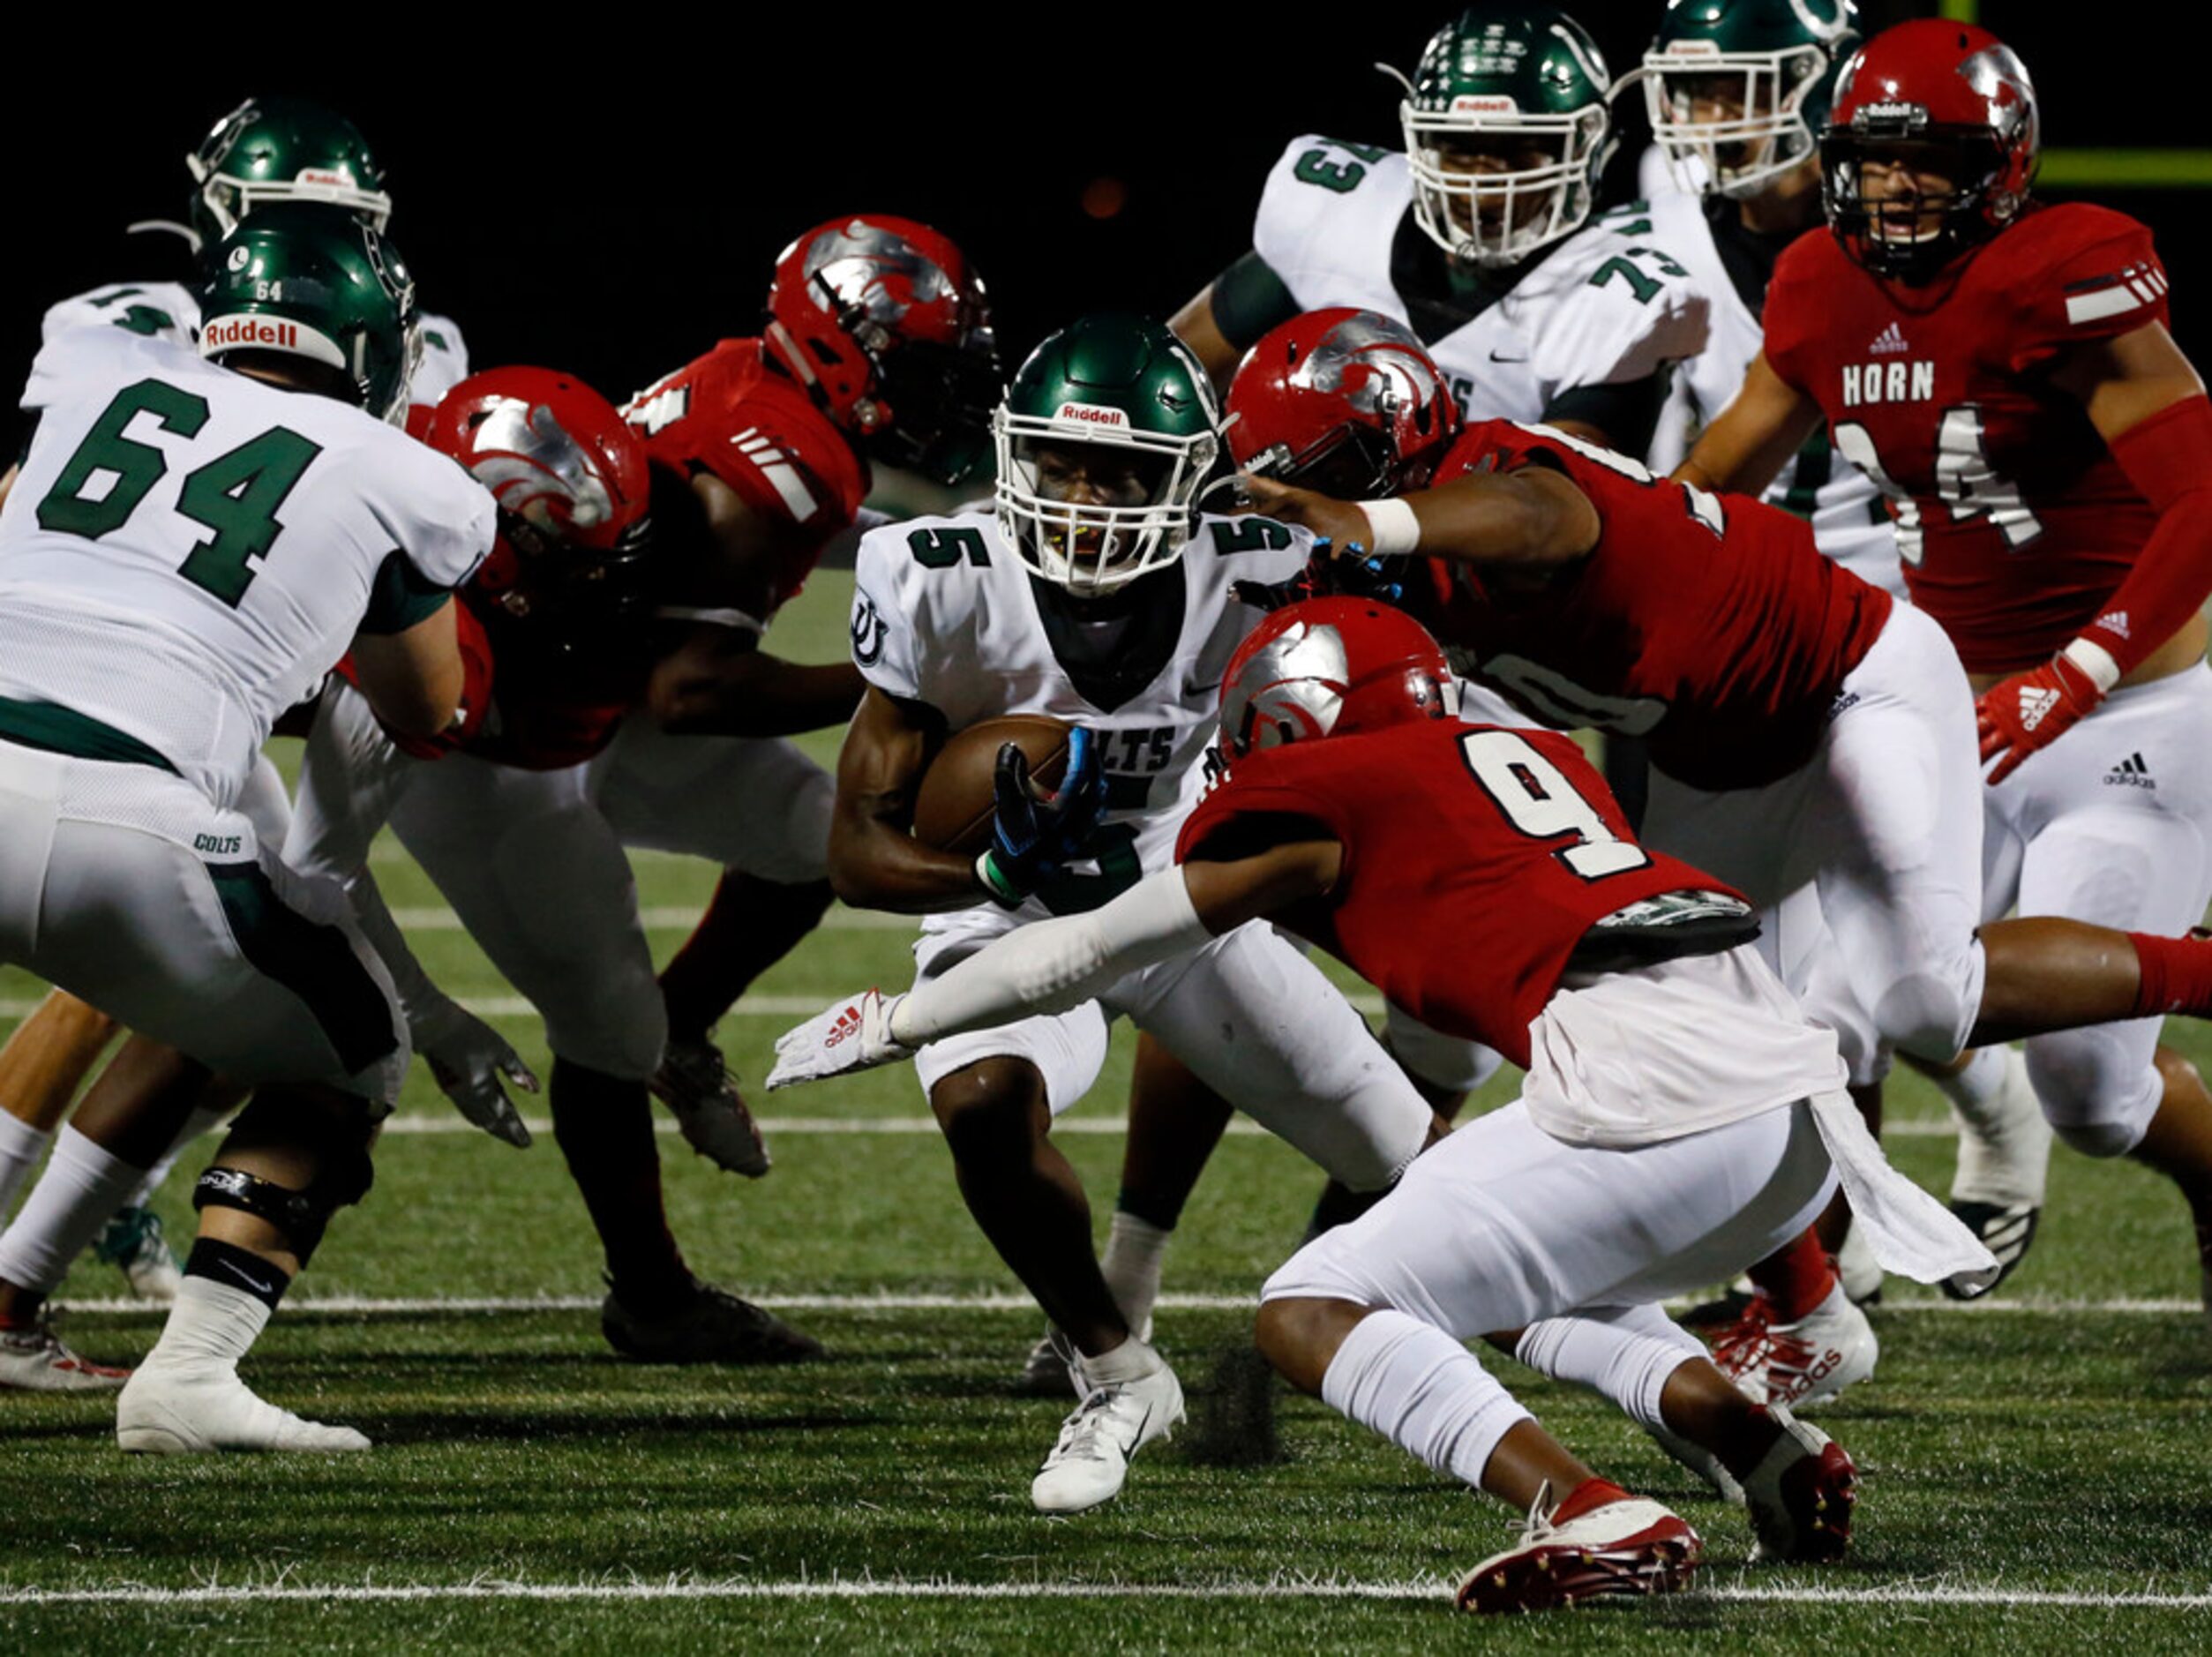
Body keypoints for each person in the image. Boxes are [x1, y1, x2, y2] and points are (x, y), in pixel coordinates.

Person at [776, 596, 2206, 1608]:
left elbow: (1092, 949)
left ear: (1291, 718)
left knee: (1311, 1308)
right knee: (1486, 1256)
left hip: (1658, 1089)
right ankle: (1739, 1429)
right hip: (1789, 1115)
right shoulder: (1530, 759)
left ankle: (1587, 1506)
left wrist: (892, 1015)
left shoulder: (1320, 790)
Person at [826, 314, 1438, 1514]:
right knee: (982, 1100)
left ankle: (1640, 1351)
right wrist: (994, 877)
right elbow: (854, 849)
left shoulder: (1263, 559)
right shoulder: (937, 575)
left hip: (1179, 889)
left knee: (1409, 1159)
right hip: (1009, 903)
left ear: (1189, 475)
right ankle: (1117, 1371)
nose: (1089, 496)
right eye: (1062, 465)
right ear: (1017, 460)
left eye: (1124, 472)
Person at [1676, 17, 2212, 1323]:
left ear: (2005, 163)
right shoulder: (1815, 283)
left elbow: (2203, 501)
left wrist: (2075, 675)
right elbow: (1712, 481)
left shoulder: (2066, 271)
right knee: (1845, 1003)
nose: (1900, 185)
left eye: (1934, 159)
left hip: (2135, 704)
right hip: (1955, 701)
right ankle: (1799, 1306)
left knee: (2093, 1094)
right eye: (1876, 157)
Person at [0, 207, 493, 1446]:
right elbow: (425, 701)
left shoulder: (98, 379)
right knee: (354, 1047)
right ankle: (193, 1373)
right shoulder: (401, 470)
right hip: (134, 826)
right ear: (373, 348)